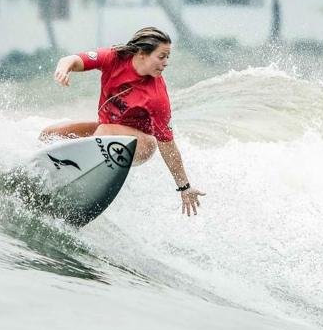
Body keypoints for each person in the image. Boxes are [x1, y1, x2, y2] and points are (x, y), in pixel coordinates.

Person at [40, 27, 205, 217]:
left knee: (105, 131)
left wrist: (184, 187)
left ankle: (72, 180)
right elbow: (72, 60)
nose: (166, 63)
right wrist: (63, 69)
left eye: (168, 57)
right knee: (49, 134)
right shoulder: (114, 58)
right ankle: (45, 176)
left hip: (140, 144)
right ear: (142, 54)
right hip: (105, 132)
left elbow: (167, 144)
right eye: (162, 56)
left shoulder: (157, 97)